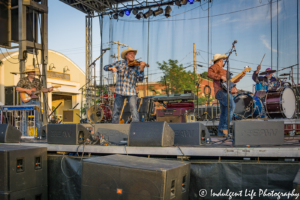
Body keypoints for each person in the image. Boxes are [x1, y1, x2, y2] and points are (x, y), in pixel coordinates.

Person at [104, 47, 146, 123]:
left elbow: (140, 79)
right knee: (117, 110)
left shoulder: (137, 66)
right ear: (126, 56)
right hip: (120, 91)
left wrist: (142, 69)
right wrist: (111, 68)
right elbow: (105, 67)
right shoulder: (120, 63)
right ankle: (114, 127)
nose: (132, 55)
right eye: (130, 54)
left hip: (131, 91)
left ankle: (136, 127)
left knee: (133, 109)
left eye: (133, 54)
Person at [207, 54, 245, 137]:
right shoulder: (215, 66)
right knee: (231, 106)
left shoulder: (223, 70)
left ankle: (221, 133)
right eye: (222, 60)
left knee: (224, 112)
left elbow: (231, 82)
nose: (223, 62)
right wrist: (220, 76)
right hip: (221, 91)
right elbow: (209, 74)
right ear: (220, 60)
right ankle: (225, 128)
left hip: (224, 91)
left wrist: (241, 75)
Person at [16, 65, 53, 135]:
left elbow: (42, 89)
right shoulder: (23, 80)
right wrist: (26, 90)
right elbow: (17, 88)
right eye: (32, 72)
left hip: (36, 100)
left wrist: (48, 90)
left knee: (38, 119)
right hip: (26, 100)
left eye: (34, 71)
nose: (34, 73)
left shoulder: (38, 81)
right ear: (28, 73)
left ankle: (39, 135)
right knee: (24, 118)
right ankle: (23, 135)